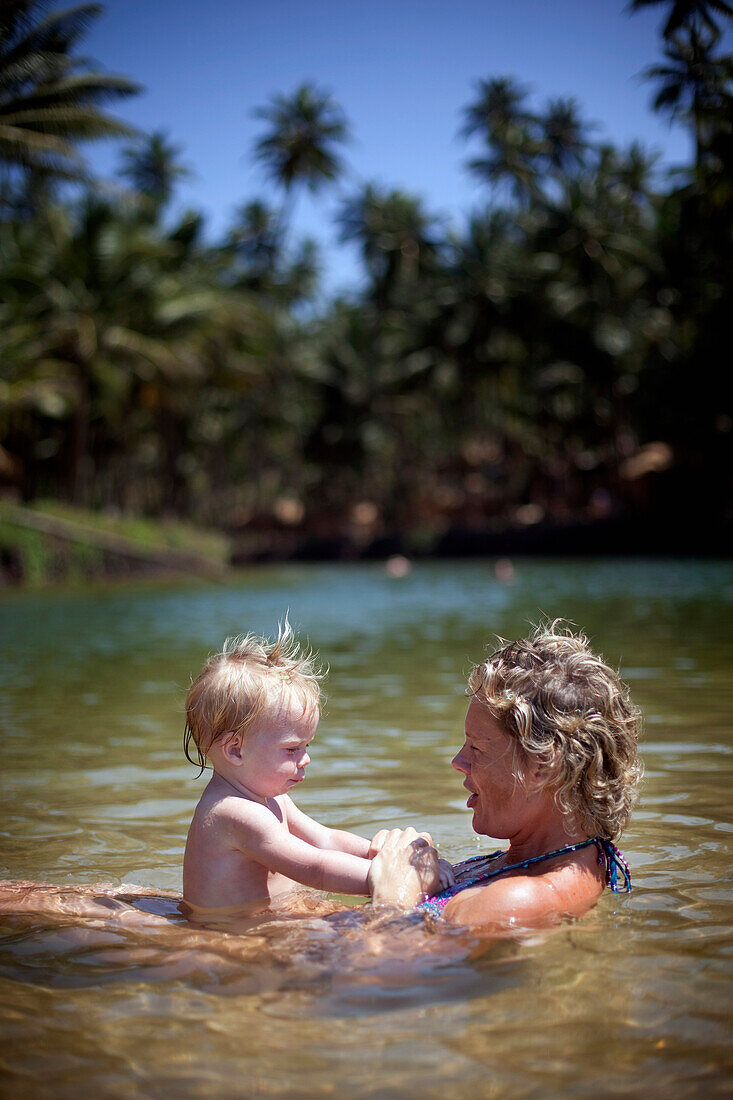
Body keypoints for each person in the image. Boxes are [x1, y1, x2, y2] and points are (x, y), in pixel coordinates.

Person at [368, 622, 642, 933]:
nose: (458, 762)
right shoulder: (534, 860)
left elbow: (386, 972)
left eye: (478, 749)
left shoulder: (523, 897)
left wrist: (393, 897)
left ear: (542, 767)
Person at [182, 625, 448, 918]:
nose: (306, 758)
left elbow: (326, 840)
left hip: (266, 917)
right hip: (230, 934)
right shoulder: (231, 812)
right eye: (292, 749)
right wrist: (399, 879)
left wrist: (389, 857)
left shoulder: (272, 797)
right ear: (235, 750)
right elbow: (315, 867)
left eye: (307, 745)